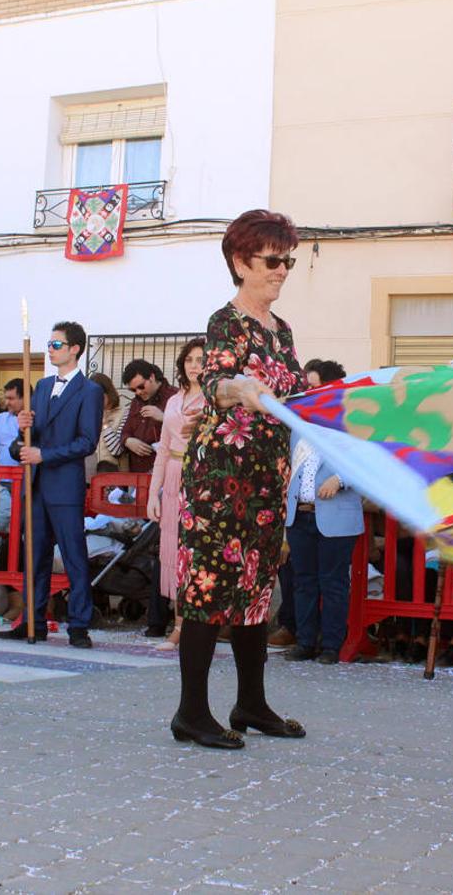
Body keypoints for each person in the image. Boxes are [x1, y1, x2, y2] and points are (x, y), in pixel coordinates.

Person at [173, 209, 309, 749]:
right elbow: (215, 382)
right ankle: (191, 713)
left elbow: (296, 397)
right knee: (208, 589)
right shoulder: (226, 322)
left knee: (255, 586)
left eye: (288, 260)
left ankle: (250, 703)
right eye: (272, 260)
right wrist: (240, 389)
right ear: (240, 262)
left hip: (267, 474)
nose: (282, 270)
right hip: (220, 476)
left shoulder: (283, 330)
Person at [0, 322, 103, 648]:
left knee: (74, 556)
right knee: (35, 556)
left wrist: (45, 454)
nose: (50, 348)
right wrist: (22, 433)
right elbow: (22, 443)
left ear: (74, 349)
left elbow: (87, 442)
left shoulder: (90, 391)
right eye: (49, 343)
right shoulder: (41, 387)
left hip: (65, 485)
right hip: (38, 484)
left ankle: (79, 625)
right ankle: (32, 620)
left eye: (56, 344)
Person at [283, 425, 363, 666]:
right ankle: (305, 641)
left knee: (333, 582)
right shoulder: (298, 430)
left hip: (335, 515)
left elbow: (368, 463)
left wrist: (340, 479)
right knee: (303, 580)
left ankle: (331, 644)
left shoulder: (350, 426)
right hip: (300, 514)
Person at [146, 338, 207, 645]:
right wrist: (151, 495)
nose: (194, 365)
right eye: (189, 360)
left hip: (201, 480)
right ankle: (178, 623)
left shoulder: (214, 400)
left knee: (196, 554)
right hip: (171, 476)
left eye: (200, 359)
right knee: (172, 552)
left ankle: (194, 627)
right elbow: (163, 450)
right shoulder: (173, 399)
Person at [119, 359, 177, 474]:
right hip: (138, 474)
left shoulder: (175, 397)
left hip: (166, 471)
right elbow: (125, 431)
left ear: (152, 377)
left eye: (141, 386)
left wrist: (164, 417)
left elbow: (188, 430)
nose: (138, 392)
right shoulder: (136, 402)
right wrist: (128, 441)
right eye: (133, 390)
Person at [89, 373, 128, 475]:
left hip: (114, 476)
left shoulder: (124, 413)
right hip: (89, 476)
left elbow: (117, 450)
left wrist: (105, 424)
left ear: (108, 393)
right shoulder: (88, 414)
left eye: (98, 396)